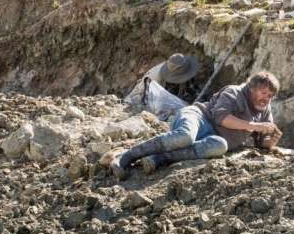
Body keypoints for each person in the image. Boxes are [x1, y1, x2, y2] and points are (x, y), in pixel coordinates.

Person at [111, 71, 282, 179]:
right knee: (185, 136)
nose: (266, 98)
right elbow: (221, 118)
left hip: (214, 137)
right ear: (252, 89)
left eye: (270, 96)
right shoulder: (235, 92)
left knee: (219, 146)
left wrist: (270, 141)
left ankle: (158, 159)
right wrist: (254, 126)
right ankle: (127, 156)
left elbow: (261, 143)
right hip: (199, 117)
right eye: (263, 93)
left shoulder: (265, 110)